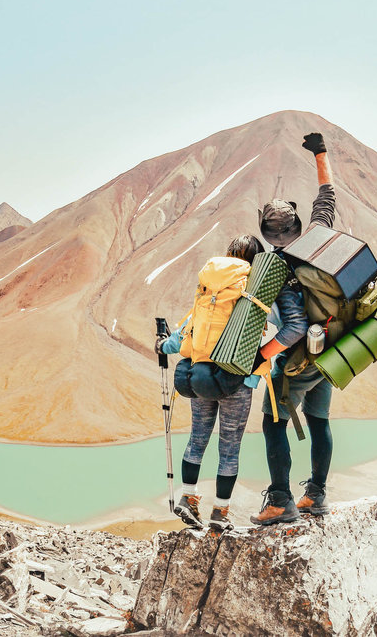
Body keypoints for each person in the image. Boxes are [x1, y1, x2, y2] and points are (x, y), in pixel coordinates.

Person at [250, 132, 338, 525]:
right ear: (298, 225)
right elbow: (327, 196)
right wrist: (320, 152)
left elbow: (294, 326)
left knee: (273, 423)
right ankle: (315, 495)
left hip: (297, 361)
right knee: (319, 422)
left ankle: (281, 501)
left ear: (267, 235)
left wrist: (262, 355)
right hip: (333, 348)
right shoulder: (319, 236)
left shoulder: (277, 269)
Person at [155, 235, 266, 532]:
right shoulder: (253, 290)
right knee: (229, 449)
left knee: (197, 439)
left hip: (199, 375)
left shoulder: (207, 288)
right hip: (235, 381)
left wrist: (163, 344)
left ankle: (188, 498)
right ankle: (220, 512)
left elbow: (180, 336)